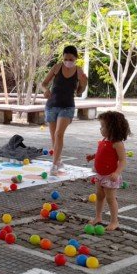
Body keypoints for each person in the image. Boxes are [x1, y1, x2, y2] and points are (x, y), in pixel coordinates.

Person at [42, 45, 88, 176]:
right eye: (66, 58)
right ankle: (59, 160)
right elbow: (43, 83)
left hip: (67, 107)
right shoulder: (56, 67)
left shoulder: (79, 71)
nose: (68, 61)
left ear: (75, 59)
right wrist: (45, 91)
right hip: (51, 105)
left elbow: (79, 92)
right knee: (54, 137)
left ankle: (54, 165)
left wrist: (84, 84)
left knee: (58, 134)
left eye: (71, 59)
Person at [86, 111, 131, 231]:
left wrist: (117, 173)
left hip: (110, 176)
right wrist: (93, 156)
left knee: (110, 198)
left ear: (112, 128)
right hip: (100, 174)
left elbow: (122, 160)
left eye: (103, 126)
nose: (100, 129)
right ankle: (98, 217)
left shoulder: (117, 144)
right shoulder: (105, 139)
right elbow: (103, 154)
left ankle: (114, 221)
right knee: (99, 196)